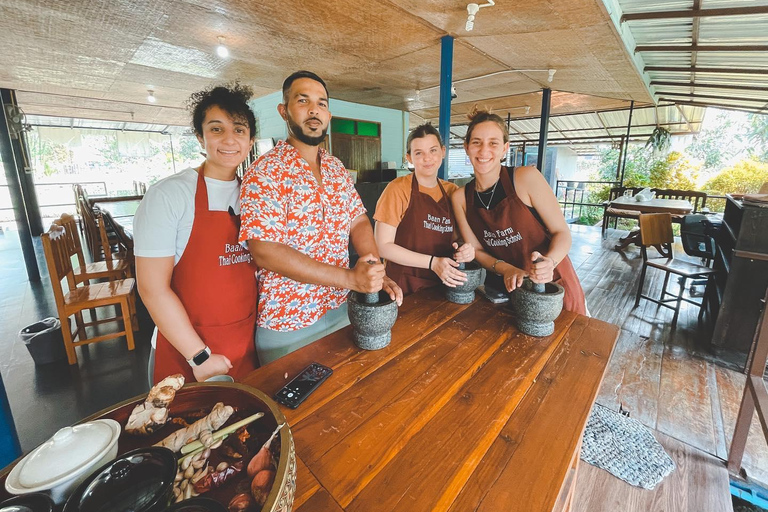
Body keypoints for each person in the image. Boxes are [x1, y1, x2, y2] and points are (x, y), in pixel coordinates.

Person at [239, 70, 403, 365]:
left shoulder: (336, 167)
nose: (314, 109)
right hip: (289, 322)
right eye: (303, 101)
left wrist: (373, 270)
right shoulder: (265, 172)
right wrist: (351, 278)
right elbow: (265, 250)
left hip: (341, 309)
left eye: (322, 103)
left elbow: (358, 220)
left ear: (328, 115)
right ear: (284, 111)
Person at [134, 83, 258, 384]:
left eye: (239, 130)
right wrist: (198, 355)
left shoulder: (255, 193)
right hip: (188, 352)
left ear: (251, 140)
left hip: (246, 342)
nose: (229, 139)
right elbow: (152, 288)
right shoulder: (169, 195)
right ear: (200, 137)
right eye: (217, 129)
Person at [452, 109, 586, 314]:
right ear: (466, 147)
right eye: (476, 142)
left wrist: (549, 262)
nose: (484, 150)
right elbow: (477, 251)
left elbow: (562, 232)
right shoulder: (461, 198)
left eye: (493, 143)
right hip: (508, 290)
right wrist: (507, 269)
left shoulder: (525, 178)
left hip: (552, 285)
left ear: (505, 148)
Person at [373, 123, 474, 294]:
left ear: (443, 151)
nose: (427, 158)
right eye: (419, 153)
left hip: (444, 283)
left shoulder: (453, 192)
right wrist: (432, 263)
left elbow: (459, 238)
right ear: (409, 158)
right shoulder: (398, 189)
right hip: (403, 285)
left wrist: (466, 250)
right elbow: (382, 246)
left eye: (433, 150)